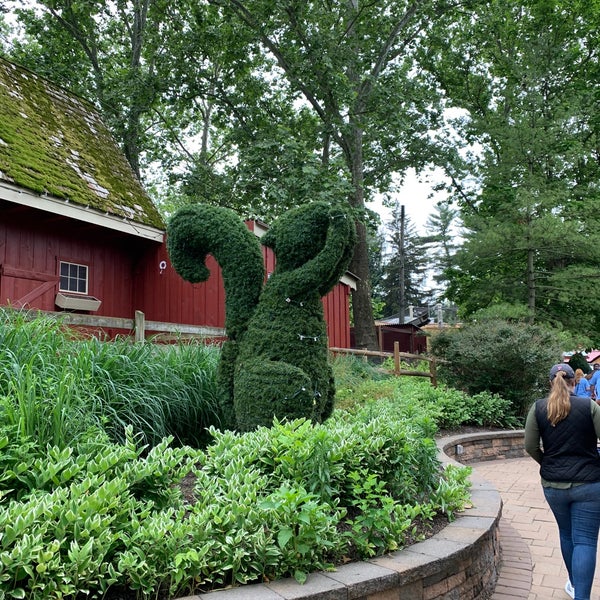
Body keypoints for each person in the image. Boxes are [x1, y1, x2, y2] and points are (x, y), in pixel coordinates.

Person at [524, 363, 600, 600]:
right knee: (585, 541)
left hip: (553, 486)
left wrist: (547, 464)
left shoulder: (538, 408)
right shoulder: (589, 406)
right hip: (589, 484)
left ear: (550, 382)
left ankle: (574, 584)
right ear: (574, 381)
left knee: (567, 535)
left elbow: (530, 446)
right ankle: (582, 597)